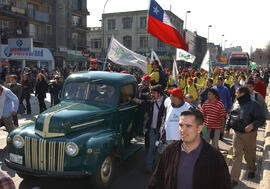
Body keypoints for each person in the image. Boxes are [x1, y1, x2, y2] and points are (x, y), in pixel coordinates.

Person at [148, 109, 231, 189]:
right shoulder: (170, 151)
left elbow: (224, 185)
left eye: (188, 126)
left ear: (199, 129)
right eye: (181, 125)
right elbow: (156, 181)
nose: (182, 130)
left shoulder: (214, 157)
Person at [225, 86, 265, 187]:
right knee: (236, 155)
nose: (235, 94)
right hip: (237, 134)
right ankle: (234, 178)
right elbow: (230, 116)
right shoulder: (236, 102)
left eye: (237, 92)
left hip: (249, 135)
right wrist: (227, 128)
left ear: (242, 93)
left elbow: (262, 119)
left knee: (249, 154)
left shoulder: (254, 105)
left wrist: (252, 125)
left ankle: (251, 169)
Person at [132, 85, 166, 172]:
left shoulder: (166, 103)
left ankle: (161, 167)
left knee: (161, 149)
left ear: (159, 93)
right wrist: (133, 99)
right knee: (151, 147)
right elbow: (142, 102)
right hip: (152, 129)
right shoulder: (152, 102)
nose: (152, 94)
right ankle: (149, 165)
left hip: (162, 131)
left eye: (153, 93)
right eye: (151, 93)